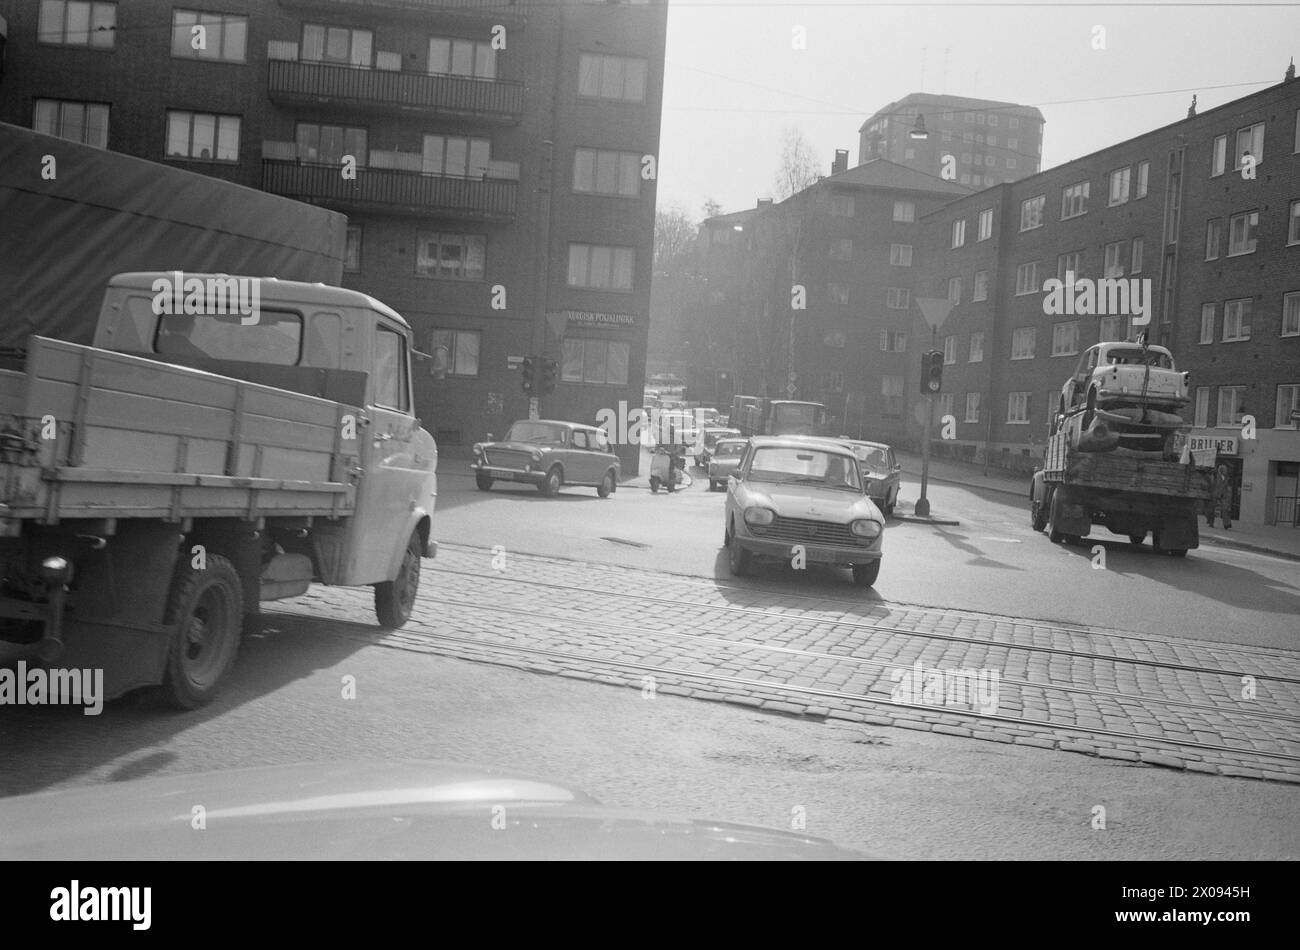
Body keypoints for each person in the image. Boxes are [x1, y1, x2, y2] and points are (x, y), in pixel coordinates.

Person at [1207, 464, 1234, 529]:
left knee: (1225, 509)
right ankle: (1211, 523)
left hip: (1223, 494)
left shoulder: (1226, 477)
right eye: (1225, 470)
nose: (1226, 471)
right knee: (1212, 509)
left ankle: (1227, 524)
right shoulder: (1215, 476)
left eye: (1226, 470)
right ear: (1221, 470)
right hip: (1215, 494)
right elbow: (1212, 484)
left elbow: (1226, 486)